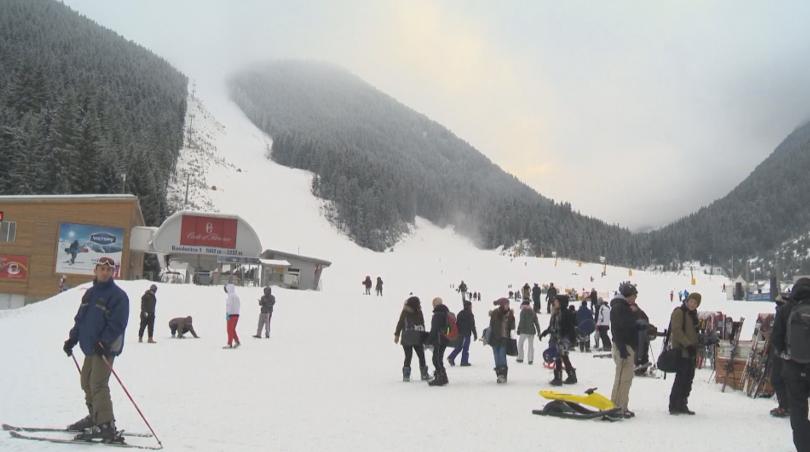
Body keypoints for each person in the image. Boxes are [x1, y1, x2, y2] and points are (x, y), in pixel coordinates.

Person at [63, 257, 129, 442]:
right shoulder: (89, 294)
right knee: (86, 382)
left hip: (105, 348)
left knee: (98, 384)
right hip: (90, 346)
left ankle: (106, 425)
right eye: (101, 269)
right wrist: (72, 339)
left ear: (113, 272)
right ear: (95, 271)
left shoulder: (118, 296)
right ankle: (95, 417)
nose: (105, 272)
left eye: (109, 270)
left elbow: (118, 323)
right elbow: (81, 319)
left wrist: (104, 341)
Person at [771, 278, 810, 452]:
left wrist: (785, 355)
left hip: (793, 367)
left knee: (798, 411)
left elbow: (776, 339)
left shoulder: (785, 309)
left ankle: (804, 446)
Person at [668, 292, 701, 415]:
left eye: (695, 303)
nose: (693, 304)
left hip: (691, 352)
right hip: (682, 351)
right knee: (680, 379)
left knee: (688, 379)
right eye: (691, 301)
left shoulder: (693, 315)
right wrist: (688, 344)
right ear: (687, 300)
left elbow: (694, 333)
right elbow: (676, 330)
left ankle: (683, 403)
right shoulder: (679, 312)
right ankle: (674, 405)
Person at [610, 281, 639, 418]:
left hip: (626, 346)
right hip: (624, 346)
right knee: (623, 378)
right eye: (633, 296)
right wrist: (622, 348)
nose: (635, 299)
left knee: (625, 378)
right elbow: (617, 329)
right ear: (627, 295)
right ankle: (617, 407)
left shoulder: (625, 307)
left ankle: (620, 406)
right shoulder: (619, 308)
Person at [541, 295, 577, 385]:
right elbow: (552, 326)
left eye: (556, 301)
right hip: (556, 338)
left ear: (561, 303)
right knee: (563, 357)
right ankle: (571, 376)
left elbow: (570, 327)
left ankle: (558, 378)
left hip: (563, 339)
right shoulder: (556, 313)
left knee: (558, 356)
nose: (554, 303)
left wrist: (569, 339)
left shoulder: (566, 313)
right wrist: (545, 333)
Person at [394, 296, 430, 382]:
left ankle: (406, 376)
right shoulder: (418, 312)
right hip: (417, 337)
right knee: (421, 355)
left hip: (407, 337)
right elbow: (422, 324)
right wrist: (424, 337)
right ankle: (424, 374)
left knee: (408, 356)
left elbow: (400, 323)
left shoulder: (405, 312)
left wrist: (397, 335)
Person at [770, 294, 790, 418]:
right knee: (793, 381)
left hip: (781, 351)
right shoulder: (798, 309)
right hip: (798, 352)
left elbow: (777, 333)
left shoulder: (782, 312)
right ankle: (793, 407)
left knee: (777, 379)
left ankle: (784, 407)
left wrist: (777, 347)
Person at [488, 297, 515, 383]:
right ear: (502, 305)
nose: (508, 306)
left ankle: (503, 375)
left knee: (502, 356)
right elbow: (491, 325)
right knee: (496, 357)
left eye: (508, 304)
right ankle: (499, 375)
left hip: (504, 338)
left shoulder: (510, 314)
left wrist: (512, 336)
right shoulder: (495, 313)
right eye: (506, 304)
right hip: (494, 338)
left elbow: (512, 327)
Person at [427, 297, 449, 386]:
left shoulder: (437, 315)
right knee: (439, 358)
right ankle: (443, 377)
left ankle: (440, 378)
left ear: (435, 305)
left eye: (433, 305)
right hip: (445, 339)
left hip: (439, 339)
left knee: (436, 359)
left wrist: (428, 340)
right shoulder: (446, 313)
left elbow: (434, 329)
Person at [448, 300, 477, 367]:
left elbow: (457, 324)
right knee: (465, 347)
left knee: (460, 346)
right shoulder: (470, 314)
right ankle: (463, 361)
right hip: (466, 334)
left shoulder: (460, 313)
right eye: (471, 306)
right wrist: (475, 334)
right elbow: (472, 325)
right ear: (469, 306)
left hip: (460, 333)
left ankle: (451, 357)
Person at [517, 300, 541, 364]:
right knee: (531, 346)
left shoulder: (523, 311)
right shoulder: (533, 312)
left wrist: (518, 329)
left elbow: (521, 321)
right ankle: (530, 360)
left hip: (524, 331)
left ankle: (520, 358)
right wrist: (539, 331)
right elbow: (536, 322)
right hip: (531, 331)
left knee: (520, 345)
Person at [224, 283, 241, 348]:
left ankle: (229, 343)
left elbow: (229, 306)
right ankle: (237, 341)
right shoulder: (236, 296)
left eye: (226, 289)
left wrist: (227, 314)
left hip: (231, 315)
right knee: (232, 329)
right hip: (236, 314)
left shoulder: (230, 296)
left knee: (229, 330)